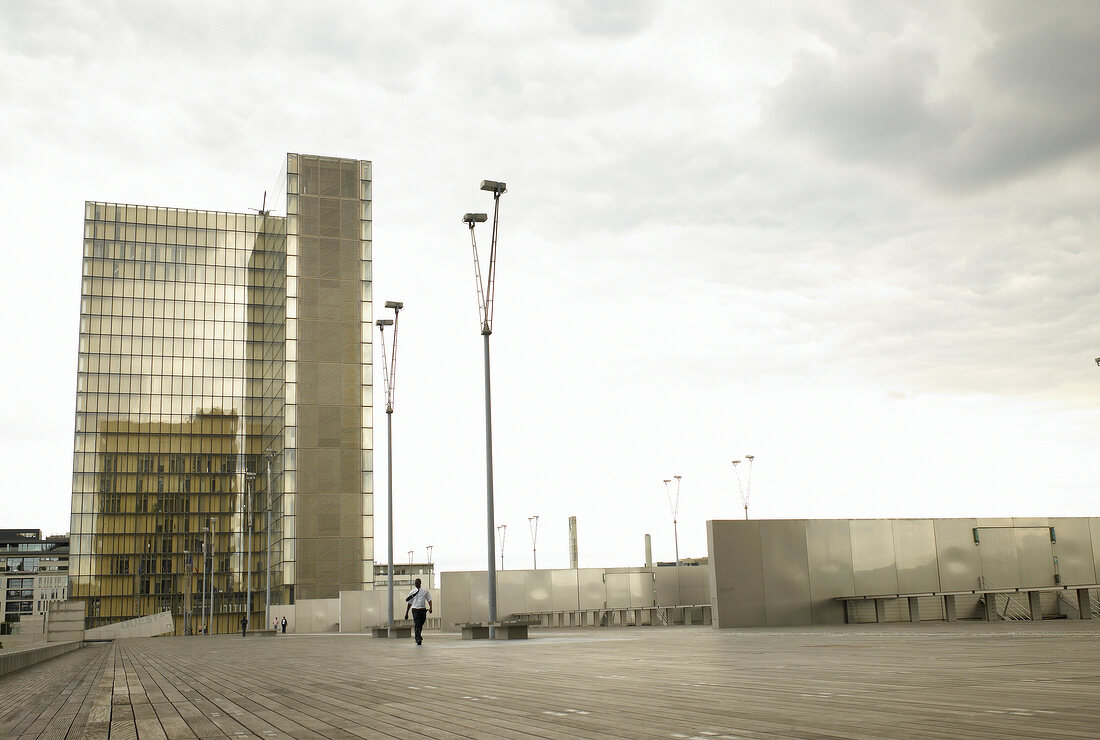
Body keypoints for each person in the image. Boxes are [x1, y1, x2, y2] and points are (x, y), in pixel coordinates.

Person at [404, 578, 432, 645]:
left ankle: (418, 636)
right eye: (415, 583)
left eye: (417, 583)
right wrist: (406, 612)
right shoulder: (412, 592)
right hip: (415, 610)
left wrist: (431, 608)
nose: (416, 584)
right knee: (417, 624)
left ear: (420, 583)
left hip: (423, 610)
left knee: (421, 624)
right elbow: (409, 603)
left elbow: (429, 600)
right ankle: (418, 639)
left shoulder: (425, 591)